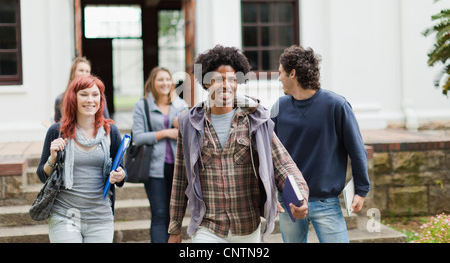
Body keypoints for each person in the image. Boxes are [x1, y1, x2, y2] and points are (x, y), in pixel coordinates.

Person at [168, 45, 309, 243]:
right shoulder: (189, 123)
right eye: (218, 79)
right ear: (207, 83)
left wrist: (300, 195)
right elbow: (180, 177)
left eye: (232, 80)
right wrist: (175, 228)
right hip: (208, 226)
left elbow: (284, 164)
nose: (226, 85)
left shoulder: (256, 119)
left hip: (247, 227)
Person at [271, 45, 370, 243]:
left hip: (326, 201)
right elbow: (268, 153)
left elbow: (356, 150)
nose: (278, 77)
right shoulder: (279, 107)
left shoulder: (336, 105)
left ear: (292, 73)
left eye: (281, 73)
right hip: (290, 201)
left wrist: (361, 190)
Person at [36, 75, 126, 243]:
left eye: (95, 94)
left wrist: (120, 175)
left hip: (100, 217)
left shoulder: (111, 132)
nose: (90, 100)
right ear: (73, 98)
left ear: (101, 98)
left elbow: (120, 173)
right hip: (65, 215)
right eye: (84, 94)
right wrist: (52, 159)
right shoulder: (57, 131)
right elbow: (42, 175)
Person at [131, 66, 188, 243]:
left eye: (167, 79)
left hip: (178, 167)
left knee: (174, 216)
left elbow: (191, 133)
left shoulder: (181, 105)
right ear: (152, 83)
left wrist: (182, 124)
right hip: (154, 167)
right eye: (160, 80)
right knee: (159, 213)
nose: (164, 83)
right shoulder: (142, 106)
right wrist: (165, 132)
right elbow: (138, 137)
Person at [54, 56, 110, 122]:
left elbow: (106, 121)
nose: (84, 74)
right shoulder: (60, 98)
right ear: (73, 73)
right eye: (81, 70)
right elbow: (56, 124)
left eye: (87, 71)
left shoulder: (98, 96)